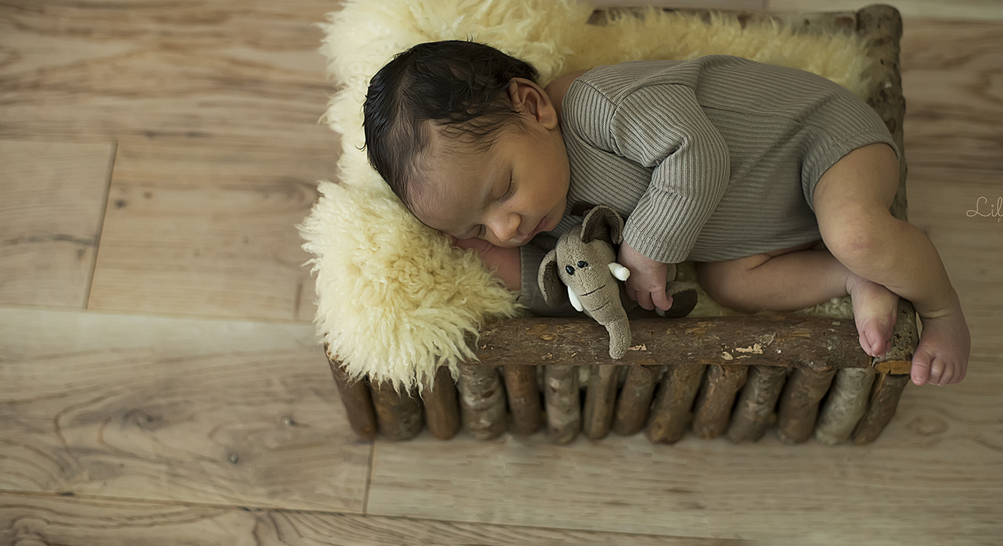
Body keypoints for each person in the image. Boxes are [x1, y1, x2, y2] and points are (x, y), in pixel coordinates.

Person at [363, 40, 970, 386]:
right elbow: (576, 289)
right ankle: (848, 275)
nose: (505, 226)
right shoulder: (547, 211)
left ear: (531, 106)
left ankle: (941, 307)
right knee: (730, 283)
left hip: (819, 144)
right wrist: (486, 259)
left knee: (857, 231)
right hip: (768, 228)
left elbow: (695, 150)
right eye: (475, 226)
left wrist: (648, 248)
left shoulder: (597, 104)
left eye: (502, 190)